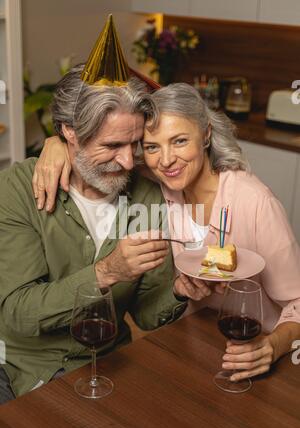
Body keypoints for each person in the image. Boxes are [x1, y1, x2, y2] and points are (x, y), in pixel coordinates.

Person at [35, 83, 300, 384]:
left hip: (252, 352)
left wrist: (272, 346)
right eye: (151, 147)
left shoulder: (255, 202)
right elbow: (98, 150)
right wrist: (55, 144)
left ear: (206, 134)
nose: (166, 160)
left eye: (179, 141)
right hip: (188, 347)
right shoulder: (157, 185)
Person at [0, 67, 197, 404]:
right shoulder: (18, 190)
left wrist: (179, 290)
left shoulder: (146, 197)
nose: (126, 161)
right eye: (112, 145)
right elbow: (18, 314)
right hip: (24, 367)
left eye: (135, 144)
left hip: (107, 364)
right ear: (69, 131)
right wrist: (107, 272)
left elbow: (147, 315)